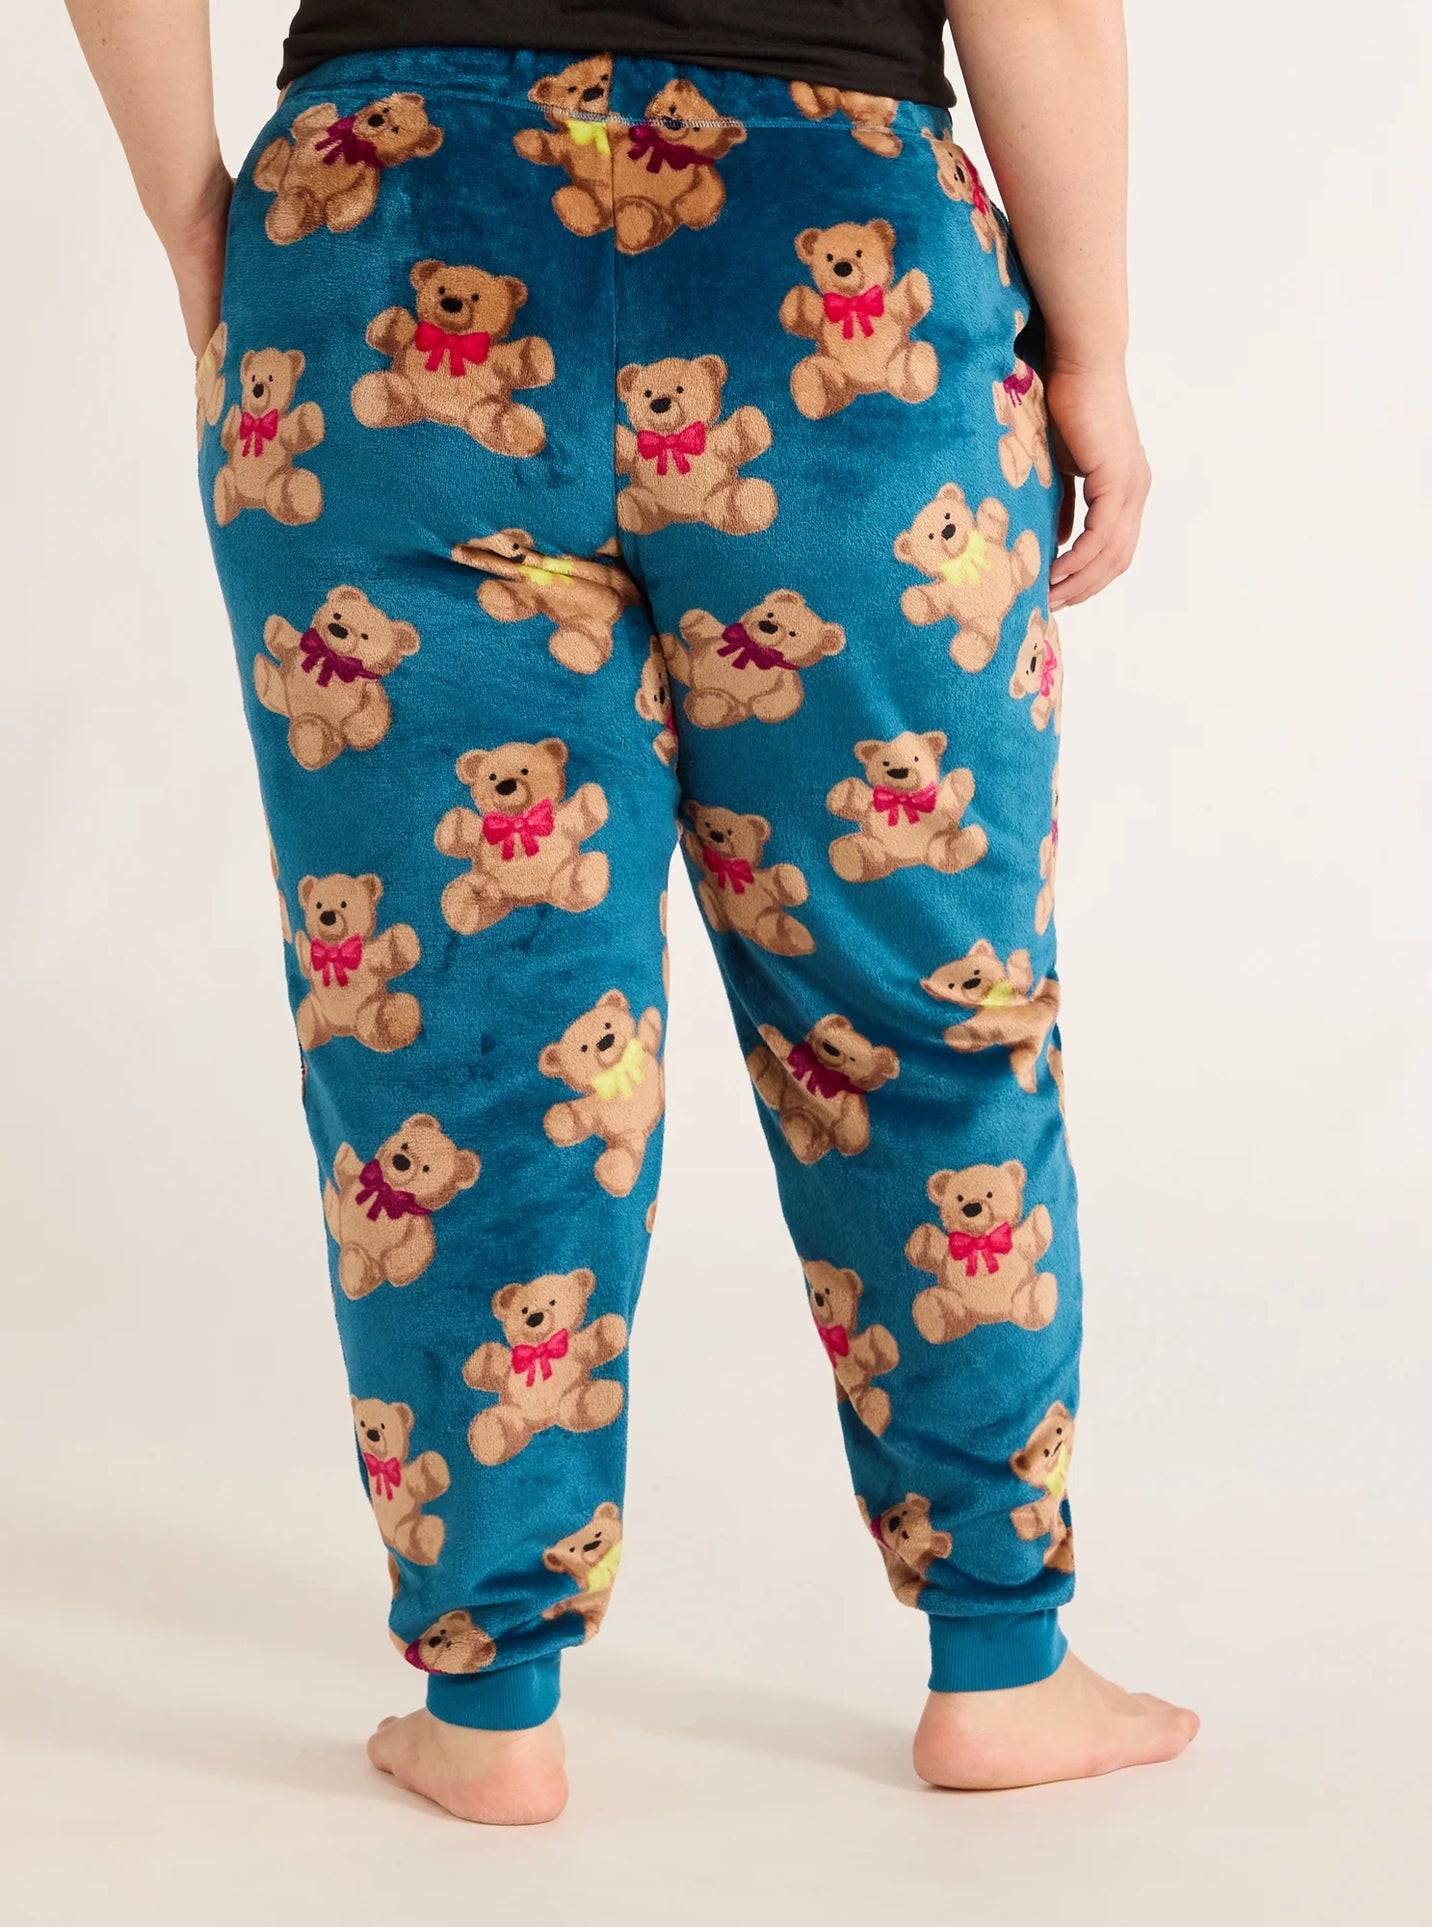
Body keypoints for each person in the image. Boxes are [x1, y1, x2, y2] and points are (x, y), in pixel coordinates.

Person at [63, 0, 1196, 1825]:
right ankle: (1001, 1664)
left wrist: (196, 219)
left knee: (454, 1034)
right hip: (833, 268)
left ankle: (488, 1704)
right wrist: (1097, 354)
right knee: (920, 1003)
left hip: (381, 238)